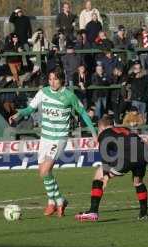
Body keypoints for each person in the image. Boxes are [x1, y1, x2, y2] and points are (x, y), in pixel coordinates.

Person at [9, 68, 97, 217]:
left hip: (59, 138)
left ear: (61, 80)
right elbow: (30, 109)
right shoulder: (43, 92)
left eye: (55, 79)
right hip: (45, 137)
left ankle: (56, 201)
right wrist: (18, 115)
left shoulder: (69, 96)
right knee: (43, 172)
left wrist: (94, 133)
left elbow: (83, 113)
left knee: (44, 170)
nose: (52, 82)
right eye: (50, 79)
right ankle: (56, 201)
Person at [75, 116, 148, 222]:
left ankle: (93, 211)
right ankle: (144, 213)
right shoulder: (126, 129)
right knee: (138, 182)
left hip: (128, 157)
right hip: (143, 155)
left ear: (101, 127)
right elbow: (147, 146)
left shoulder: (104, 134)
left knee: (98, 174)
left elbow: (104, 154)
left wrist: (105, 175)